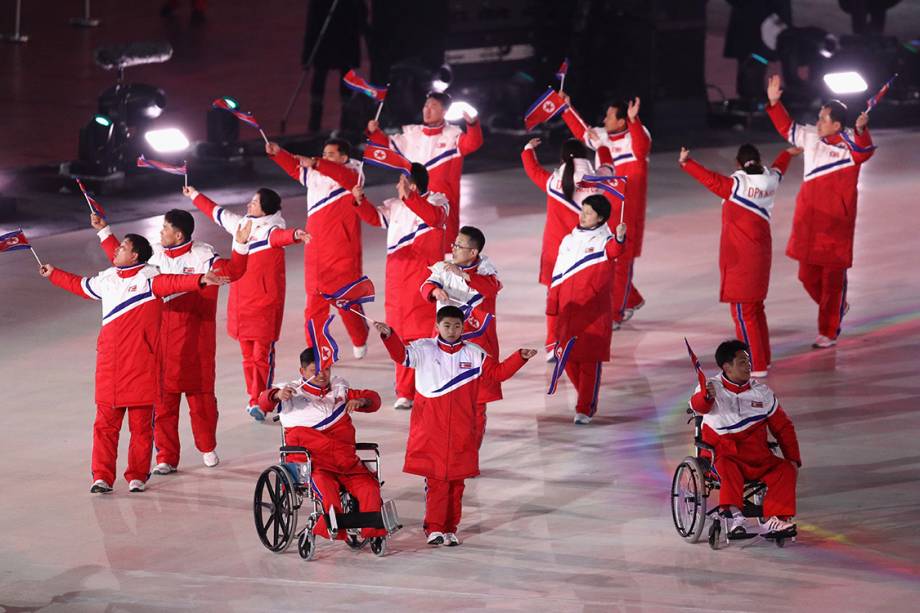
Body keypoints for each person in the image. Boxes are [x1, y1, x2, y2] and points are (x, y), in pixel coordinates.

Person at [38, 234, 228, 493]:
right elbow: (80, 285)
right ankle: (102, 477)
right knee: (105, 425)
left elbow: (174, 282)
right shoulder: (107, 278)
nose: (116, 250)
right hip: (109, 366)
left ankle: (137, 475)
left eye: (123, 247)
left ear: (135, 255)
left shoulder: (150, 279)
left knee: (140, 427)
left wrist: (201, 279)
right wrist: (54, 273)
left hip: (141, 366)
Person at [90, 211, 250, 472]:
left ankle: (207, 446)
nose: (160, 232)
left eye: (165, 228)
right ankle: (166, 457)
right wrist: (104, 231)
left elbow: (234, 272)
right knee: (163, 403)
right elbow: (123, 264)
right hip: (161, 341)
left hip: (196, 340)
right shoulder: (154, 256)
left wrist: (241, 245)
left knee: (202, 403)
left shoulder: (204, 256)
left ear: (179, 235)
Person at [374, 306, 537, 546]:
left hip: (462, 430)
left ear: (463, 327)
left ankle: (450, 528)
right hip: (431, 428)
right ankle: (435, 528)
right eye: (447, 325)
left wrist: (519, 357)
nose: (452, 330)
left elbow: (497, 374)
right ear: (438, 326)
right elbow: (401, 356)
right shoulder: (424, 349)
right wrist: (389, 336)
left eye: (457, 326)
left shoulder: (474, 353)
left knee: (457, 483)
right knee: (438, 481)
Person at [765, 74, 876, 348]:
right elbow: (786, 128)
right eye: (819, 116)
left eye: (823, 118)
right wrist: (774, 102)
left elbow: (864, 152)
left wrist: (862, 131)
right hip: (809, 222)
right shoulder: (811, 137)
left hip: (836, 226)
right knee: (806, 275)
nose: (818, 121)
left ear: (837, 124)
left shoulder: (851, 144)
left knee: (832, 282)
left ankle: (828, 330)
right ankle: (837, 307)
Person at [184, 185, 309, 420]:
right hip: (241, 303)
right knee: (247, 356)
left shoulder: (272, 229)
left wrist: (296, 235)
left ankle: (262, 400)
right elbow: (216, 212)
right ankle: (254, 398)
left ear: (266, 209)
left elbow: (281, 237)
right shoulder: (242, 224)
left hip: (264, 304)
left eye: (254, 202)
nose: (249, 205)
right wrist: (194, 195)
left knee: (261, 356)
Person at [678, 144, 799, 376]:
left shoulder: (737, 185)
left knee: (744, 313)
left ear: (737, 163)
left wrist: (686, 162)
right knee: (756, 309)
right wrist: (786, 154)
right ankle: (765, 359)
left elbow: (710, 179)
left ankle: (755, 365)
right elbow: (779, 168)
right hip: (762, 253)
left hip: (743, 257)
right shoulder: (771, 180)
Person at [256, 348, 385, 542]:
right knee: (327, 491)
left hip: (345, 461)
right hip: (315, 465)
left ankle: (372, 530)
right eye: (314, 371)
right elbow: (264, 401)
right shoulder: (290, 393)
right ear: (302, 372)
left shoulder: (340, 390)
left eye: (326, 369)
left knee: (369, 488)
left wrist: (362, 400)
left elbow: (374, 400)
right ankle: (331, 528)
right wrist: (276, 395)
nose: (321, 375)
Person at [350, 165, 448, 410]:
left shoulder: (438, 201)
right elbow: (374, 217)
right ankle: (405, 391)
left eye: (401, 182)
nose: (396, 186)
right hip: (396, 280)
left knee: (426, 335)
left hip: (424, 279)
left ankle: (428, 388)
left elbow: (435, 218)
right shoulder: (394, 205)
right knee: (399, 335)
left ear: (412, 185)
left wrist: (410, 197)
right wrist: (360, 201)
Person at [266, 139, 372, 358]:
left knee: (346, 301)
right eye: (324, 154)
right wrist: (278, 153)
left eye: (331, 154)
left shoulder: (355, 172)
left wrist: (315, 162)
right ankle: (317, 350)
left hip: (343, 250)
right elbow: (295, 169)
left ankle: (360, 336)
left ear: (344, 157)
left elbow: (345, 178)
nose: (325, 158)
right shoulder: (315, 173)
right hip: (315, 249)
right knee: (314, 304)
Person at [688, 340, 801, 537]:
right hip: (723, 456)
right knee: (727, 466)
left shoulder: (763, 393)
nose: (748, 366)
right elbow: (699, 407)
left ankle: (774, 520)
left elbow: (783, 428)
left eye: (748, 361)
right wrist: (706, 397)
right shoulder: (711, 387)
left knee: (785, 469)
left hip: (758, 456)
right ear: (727, 367)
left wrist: (793, 458)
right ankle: (734, 516)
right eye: (742, 362)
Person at [521, 137, 618, 358]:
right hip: (587, 254)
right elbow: (608, 166)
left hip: (555, 252)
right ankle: (579, 343)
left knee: (555, 300)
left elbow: (532, 169)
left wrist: (528, 149)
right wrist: (601, 146)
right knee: (586, 302)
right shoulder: (597, 180)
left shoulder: (553, 181)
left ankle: (552, 346)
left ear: (563, 157)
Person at [561, 95, 651, 328]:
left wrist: (634, 120)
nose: (604, 119)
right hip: (606, 205)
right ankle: (631, 299)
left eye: (610, 116)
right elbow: (581, 130)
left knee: (622, 261)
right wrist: (566, 107)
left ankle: (616, 314)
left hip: (629, 208)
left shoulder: (637, 136)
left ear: (622, 121)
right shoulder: (601, 137)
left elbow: (642, 149)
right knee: (607, 257)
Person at [366, 91, 483, 247]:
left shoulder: (453, 137)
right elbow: (386, 145)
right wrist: (374, 132)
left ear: (444, 112)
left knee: (443, 252)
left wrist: (473, 124)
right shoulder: (412, 135)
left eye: (433, 106)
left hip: (441, 206)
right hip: (413, 203)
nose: (427, 110)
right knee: (412, 248)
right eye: (426, 105)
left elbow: (473, 143)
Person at [548, 195, 626, 424]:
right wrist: (553, 304)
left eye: (588, 213)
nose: (582, 216)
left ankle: (585, 407)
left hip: (593, 312)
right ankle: (585, 395)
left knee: (589, 361)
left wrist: (620, 238)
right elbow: (557, 273)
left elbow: (615, 250)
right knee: (567, 357)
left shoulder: (605, 240)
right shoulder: (568, 240)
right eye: (582, 210)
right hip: (568, 309)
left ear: (601, 218)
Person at [420, 225, 501, 447]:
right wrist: (434, 291)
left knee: (476, 403)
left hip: (477, 344)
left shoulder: (487, 273)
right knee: (445, 398)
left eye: (459, 245)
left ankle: (470, 451)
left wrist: (464, 275)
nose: (453, 249)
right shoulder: (444, 268)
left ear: (473, 252)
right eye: (454, 244)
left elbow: (490, 290)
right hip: (445, 346)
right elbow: (427, 284)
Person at [301, 0, 367, 133]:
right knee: (320, 73)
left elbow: (361, 11)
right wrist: (307, 54)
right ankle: (315, 116)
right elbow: (313, 20)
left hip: (345, 35)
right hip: (325, 37)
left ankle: (346, 115)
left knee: (345, 75)